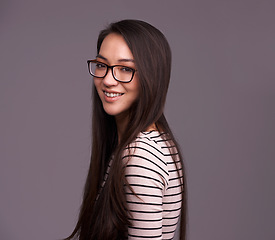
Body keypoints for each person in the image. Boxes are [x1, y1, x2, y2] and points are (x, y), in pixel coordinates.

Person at [65, 19, 186, 240]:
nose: (108, 80)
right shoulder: (153, 141)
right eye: (102, 65)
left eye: (125, 69)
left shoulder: (139, 156)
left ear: (152, 77)